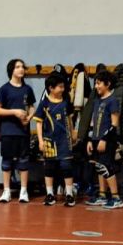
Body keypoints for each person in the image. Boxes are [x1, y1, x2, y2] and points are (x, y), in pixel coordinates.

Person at [0, 58, 36, 204]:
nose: (21, 69)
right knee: (7, 161)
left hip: (23, 131)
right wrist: (14, 112)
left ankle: (24, 191)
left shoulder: (27, 89)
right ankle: (6, 191)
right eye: (18, 67)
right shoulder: (4, 89)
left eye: (22, 66)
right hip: (8, 131)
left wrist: (29, 117)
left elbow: (32, 107)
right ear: (11, 70)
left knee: (24, 161)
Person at [33, 72, 76, 207]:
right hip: (49, 140)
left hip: (65, 140)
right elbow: (39, 123)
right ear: (51, 88)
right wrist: (40, 141)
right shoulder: (44, 104)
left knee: (66, 166)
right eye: (60, 87)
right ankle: (50, 194)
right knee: (49, 167)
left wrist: (73, 133)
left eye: (63, 87)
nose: (62, 89)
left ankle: (69, 194)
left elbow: (70, 120)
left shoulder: (66, 101)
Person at [86, 69, 123, 209]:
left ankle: (116, 198)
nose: (96, 86)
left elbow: (114, 124)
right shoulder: (97, 100)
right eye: (95, 83)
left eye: (99, 83)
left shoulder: (112, 101)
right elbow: (93, 121)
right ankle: (102, 195)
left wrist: (104, 139)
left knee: (106, 167)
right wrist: (90, 139)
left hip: (107, 140)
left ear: (107, 84)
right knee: (99, 167)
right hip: (96, 139)